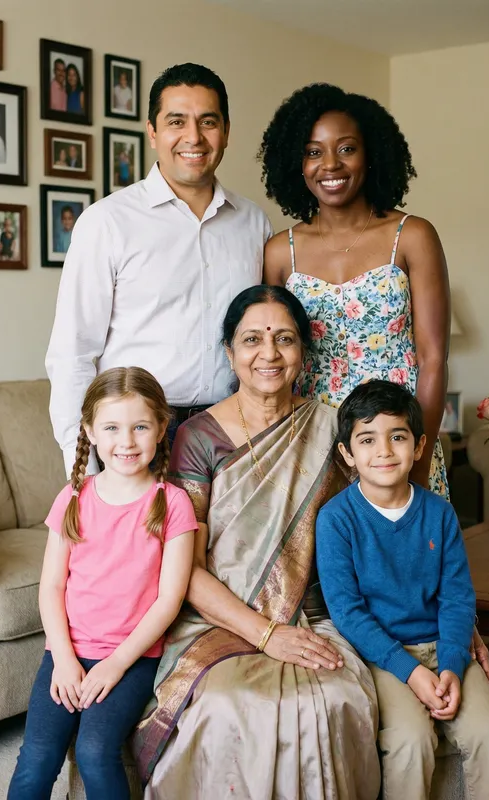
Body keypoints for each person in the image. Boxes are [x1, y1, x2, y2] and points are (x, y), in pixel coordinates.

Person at [132, 285, 381, 798]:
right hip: (216, 618)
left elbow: (375, 530)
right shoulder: (197, 437)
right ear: (230, 352)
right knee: (230, 704)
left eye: (284, 338)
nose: (269, 353)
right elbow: (183, 570)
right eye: (252, 339)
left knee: (336, 697)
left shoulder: (332, 428)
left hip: (313, 614)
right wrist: (267, 634)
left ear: (303, 352)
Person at [46, 62, 273, 476]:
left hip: (233, 429)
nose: (194, 137)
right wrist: (84, 469)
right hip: (138, 433)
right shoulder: (107, 222)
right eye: (176, 121)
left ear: (226, 131)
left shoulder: (254, 223)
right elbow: (72, 353)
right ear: (152, 131)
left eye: (208, 122)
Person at [316, 380, 489, 800]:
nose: (384, 451)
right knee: (410, 742)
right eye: (367, 440)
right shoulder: (335, 519)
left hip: (445, 647)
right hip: (384, 656)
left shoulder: (440, 514)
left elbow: (457, 598)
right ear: (347, 454)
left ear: (419, 446)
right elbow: (347, 612)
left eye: (397, 437)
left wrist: (453, 666)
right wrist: (412, 673)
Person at [8, 366, 196, 799]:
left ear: (161, 428)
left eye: (140, 427)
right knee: (37, 757)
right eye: (112, 427)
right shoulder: (73, 497)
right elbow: (51, 587)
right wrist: (63, 658)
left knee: (94, 752)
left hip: (132, 658)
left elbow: (169, 599)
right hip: (66, 652)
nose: (126, 441)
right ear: (90, 431)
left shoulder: (173, 504)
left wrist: (117, 663)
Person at [261, 83, 451, 498]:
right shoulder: (279, 252)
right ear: (295, 162)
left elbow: (433, 359)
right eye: (313, 152)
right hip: (313, 446)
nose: (330, 164)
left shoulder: (412, 236)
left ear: (372, 154)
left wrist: (418, 462)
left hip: (395, 443)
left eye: (346, 148)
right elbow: (271, 361)